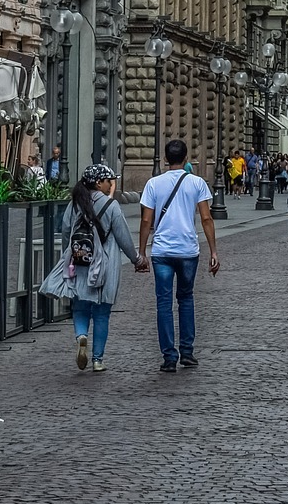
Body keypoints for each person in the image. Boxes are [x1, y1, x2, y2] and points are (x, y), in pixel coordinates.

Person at [49, 163, 149, 372]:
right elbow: (123, 237)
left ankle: (82, 336)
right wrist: (136, 259)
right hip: (104, 265)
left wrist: (70, 255)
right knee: (102, 313)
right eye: (108, 181)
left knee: (80, 306)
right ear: (98, 182)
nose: (110, 184)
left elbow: (66, 230)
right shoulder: (111, 206)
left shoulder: (75, 203)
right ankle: (97, 360)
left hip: (80, 262)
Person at [137, 139, 219, 373]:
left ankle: (169, 357)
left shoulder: (153, 184)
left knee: (163, 303)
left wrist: (142, 252)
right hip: (187, 251)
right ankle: (187, 351)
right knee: (186, 299)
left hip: (161, 251)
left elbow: (146, 220)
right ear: (186, 159)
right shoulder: (197, 183)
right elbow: (206, 218)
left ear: (165, 159)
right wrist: (213, 250)